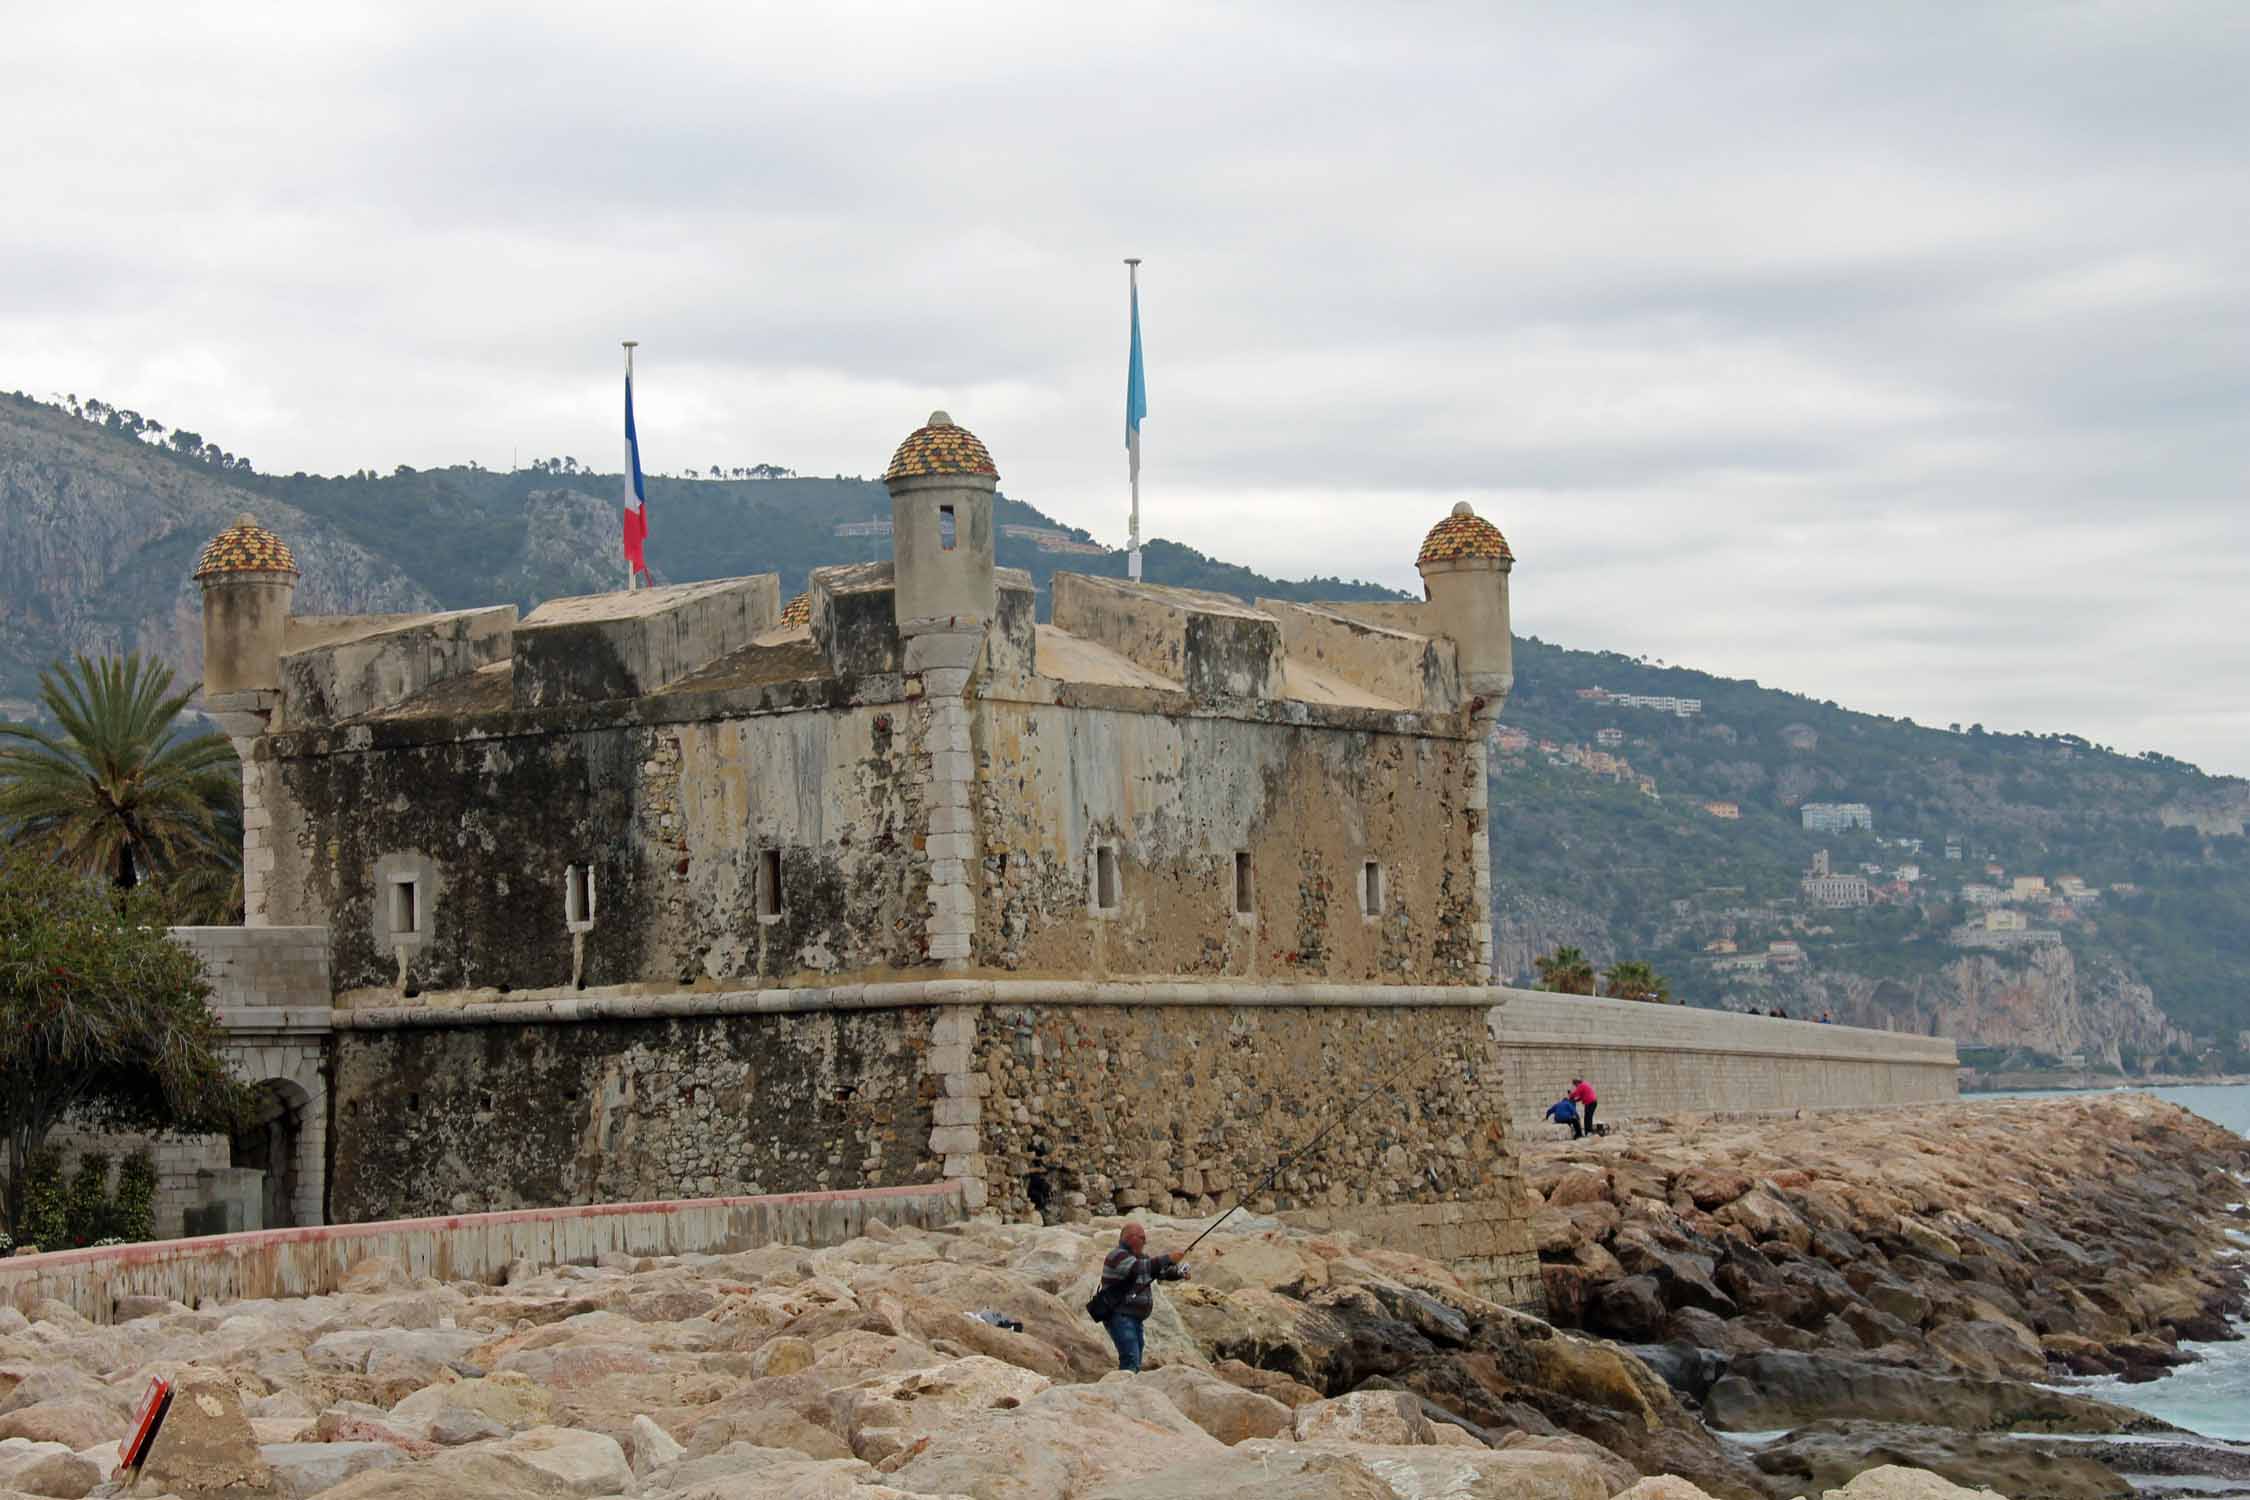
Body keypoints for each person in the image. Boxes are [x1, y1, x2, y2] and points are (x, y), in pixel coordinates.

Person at [1098, 1222, 1187, 1373]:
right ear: (1130, 1238)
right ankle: (1123, 1391)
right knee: (1130, 1360)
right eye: (1142, 1238)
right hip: (1120, 1316)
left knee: (1135, 1360)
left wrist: (1179, 1273)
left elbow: (1159, 1272)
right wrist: (1168, 1258)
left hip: (1134, 1318)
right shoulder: (1117, 1255)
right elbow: (1139, 1269)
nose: (1145, 1242)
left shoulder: (1140, 1258)